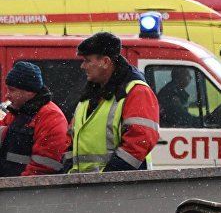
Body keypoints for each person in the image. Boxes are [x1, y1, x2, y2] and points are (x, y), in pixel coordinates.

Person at [65, 31, 160, 172]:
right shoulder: (90, 94)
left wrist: (109, 179)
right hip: (90, 189)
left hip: (121, 189)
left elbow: (139, 143)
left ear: (105, 62)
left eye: (87, 60)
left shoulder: (136, 92)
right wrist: (68, 172)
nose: (83, 66)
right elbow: (72, 140)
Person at [0, 61, 69, 176]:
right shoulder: (17, 112)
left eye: (12, 90)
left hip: (26, 191)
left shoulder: (51, 117)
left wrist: (16, 188)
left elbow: (44, 166)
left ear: (29, 92)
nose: (7, 95)